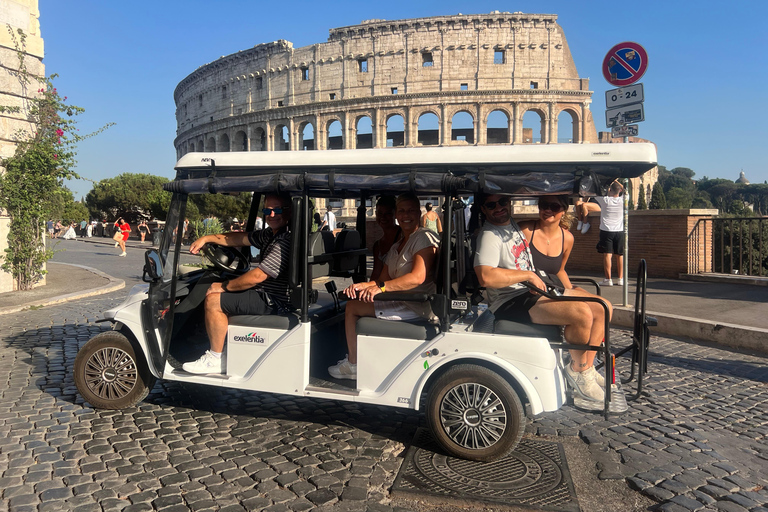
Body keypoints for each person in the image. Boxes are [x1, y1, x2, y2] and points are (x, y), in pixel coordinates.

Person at [473, 193, 608, 410]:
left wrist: (563, 287)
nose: (498, 207)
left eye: (503, 202)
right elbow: (486, 276)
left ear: (510, 203)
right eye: (491, 204)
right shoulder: (490, 234)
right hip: (509, 301)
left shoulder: (513, 226)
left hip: (530, 291)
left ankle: (587, 368)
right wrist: (527, 276)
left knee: (602, 307)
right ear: (483, 209)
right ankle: (578, 371)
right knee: (581, 313)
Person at [328, 193, 440, 380]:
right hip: (403, 299)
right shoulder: (398, 244)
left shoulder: (423, 237)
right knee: (355, 299)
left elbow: (417, 278)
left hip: (416, 304)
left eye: (411, 210)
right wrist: (359, 287)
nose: (406, 215)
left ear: (419, 213)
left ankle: (354, 364)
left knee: (352, 308)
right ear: (397, 214)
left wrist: (381, 288)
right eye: (402, 211)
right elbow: (380, 279)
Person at [182, 194, 292, 374]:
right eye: (267, 210)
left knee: (213, 300)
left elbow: (257, 276)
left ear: (289, 212)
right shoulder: (269, 234)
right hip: (269, 294)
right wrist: (207, 238)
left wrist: (224, 286)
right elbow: (237, 239)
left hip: (273, 300)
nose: (271, 215)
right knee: (222, 293)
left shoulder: (284, 240)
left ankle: (216, 358)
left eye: (277, 210)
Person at [578, 180, 625, 286]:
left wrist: (610, 182)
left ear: (610, 190)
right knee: (619, 255)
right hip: (619, 231)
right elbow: (625, 190)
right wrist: (617, 181)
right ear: (620, 191)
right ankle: (620, 278)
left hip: (606, 231)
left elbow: (595, 191)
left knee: (607, 256)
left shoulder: (605, 200)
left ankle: (608, 279)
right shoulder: (623, 200)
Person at [370, 195, 400, 282]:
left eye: (388, 213)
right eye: (380, 213)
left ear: (395, 214)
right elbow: (376, 274)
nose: (383, 217)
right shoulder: (377, 245)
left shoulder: (403, 236)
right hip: (384, 289)